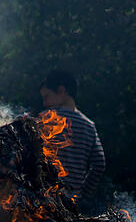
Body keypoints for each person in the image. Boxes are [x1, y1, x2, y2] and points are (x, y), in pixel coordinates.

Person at [39, 70, 105, 204]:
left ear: (62, 91)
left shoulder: (46, 118)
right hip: (71, 204)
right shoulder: (89, 126)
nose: (44, 103)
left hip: (44, 200)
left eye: (46, 96)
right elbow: (99, 164)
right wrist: (82, 195)